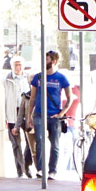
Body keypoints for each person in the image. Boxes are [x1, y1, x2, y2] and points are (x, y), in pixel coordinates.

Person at [30, 49, 76, 177]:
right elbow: (32, 97)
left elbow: (69, 97)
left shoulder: (61, 78)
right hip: (39, 113)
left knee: (54, 144)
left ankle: (52, 170)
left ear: (54, 61)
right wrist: (29, 116)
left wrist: (62, 113)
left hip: (54, 115)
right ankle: (40, 169)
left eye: (47, 59)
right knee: (39, 141)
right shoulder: (38, 77)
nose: (44, 62)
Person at [2, 56, 29, 176]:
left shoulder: (29, 78)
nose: (18, 67)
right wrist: (5, 117)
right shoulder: (5, 80)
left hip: (26, 113)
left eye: (20, 65)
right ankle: (20, 171)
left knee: (30, 142)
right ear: (11, 66)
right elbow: (2, 99)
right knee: (16, 144)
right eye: (15, 65)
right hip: (12, 113)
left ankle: (27, 165)